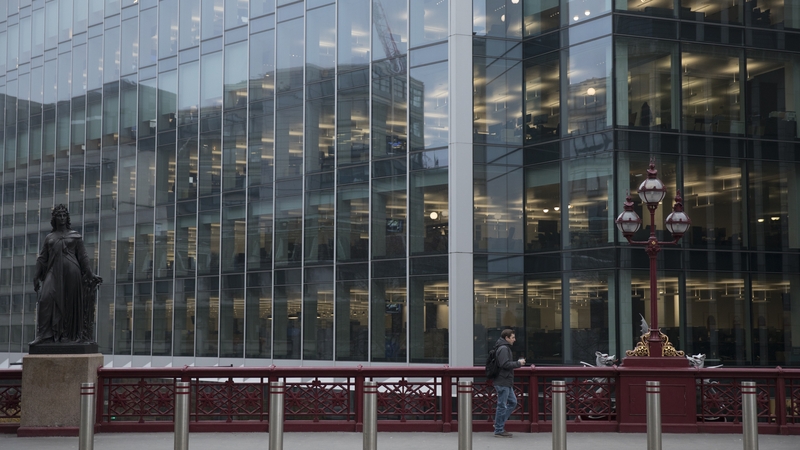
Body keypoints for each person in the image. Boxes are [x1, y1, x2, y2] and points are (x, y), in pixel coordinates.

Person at [29, 204, 103, 346]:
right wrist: (36, 276)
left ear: (67, 218)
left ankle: (67, 336)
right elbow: (42, 258)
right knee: (45, 299)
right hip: (53, 272)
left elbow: (83, 257)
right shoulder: (49, 237)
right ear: (54, 218)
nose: (62, 218)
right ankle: (43, 335)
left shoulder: (75, 236)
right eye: (59, 215)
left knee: (69, 305)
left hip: (72, 273)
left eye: (64, 215)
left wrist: (90, 273)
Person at [492, 328, 525, 438]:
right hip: (503, 381)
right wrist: (518, 363)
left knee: (513, 402)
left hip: (505, 381)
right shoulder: (503, 348)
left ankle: (498, 424)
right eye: (512, 338)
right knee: (502, 405)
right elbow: (505, 364)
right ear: (506, 338)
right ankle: (498, 429)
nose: (514, 340)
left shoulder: (501, 347)